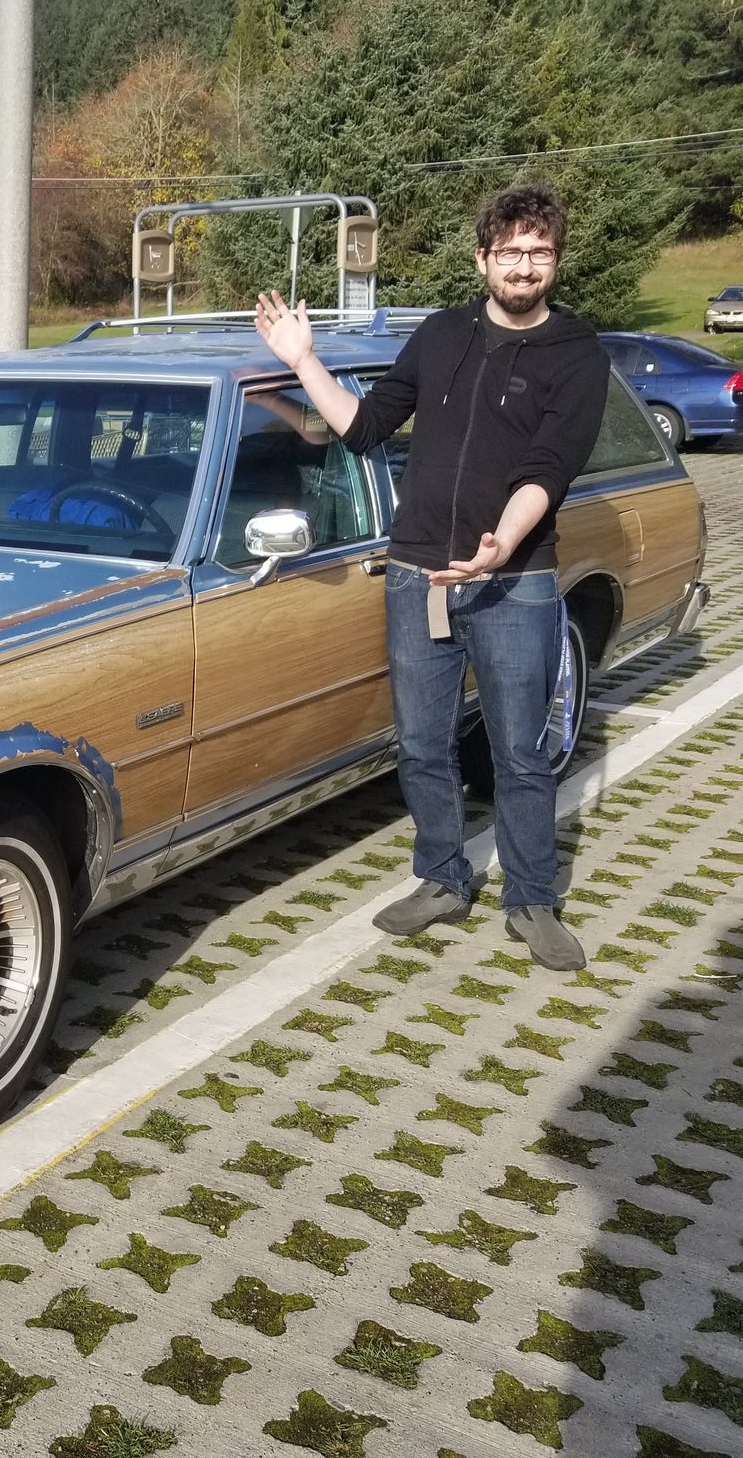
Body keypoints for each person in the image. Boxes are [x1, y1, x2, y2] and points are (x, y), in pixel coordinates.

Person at [252, 184, 608, 969]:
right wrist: (303, 361)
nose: (524, 265)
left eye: (538, 251)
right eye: (509, 251)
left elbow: (549, 469)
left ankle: (532, 899)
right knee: (420, 742)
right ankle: (443, 878)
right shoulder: (441, 335)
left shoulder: (576, 354)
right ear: (482, 258)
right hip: (418, 576)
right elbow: (365, 427)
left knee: (520, 750)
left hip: (514, 582)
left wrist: (500, 545)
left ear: (554, 261)